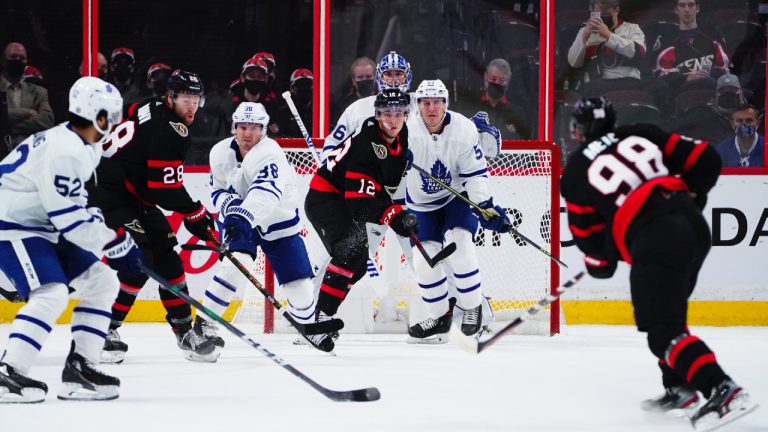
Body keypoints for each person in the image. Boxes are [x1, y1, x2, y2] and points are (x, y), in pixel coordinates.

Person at [561, 96, 758, 430]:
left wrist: (599, 261)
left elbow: (594, 247)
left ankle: (721, 388)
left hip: (655, 239)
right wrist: (691, 199)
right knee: (670, 317)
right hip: (693, 227)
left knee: (662, 331)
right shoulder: (640, 132)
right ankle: (680, 387)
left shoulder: (576, 171)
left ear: (579, 131)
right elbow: (706, 159)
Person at [0, 77, 143, 402]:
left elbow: (74, 207)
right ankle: (9, 372)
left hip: (39, 222)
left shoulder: (79, 144)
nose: (115, 125)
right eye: (113, 117)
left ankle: (80, 369)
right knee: (50, 292)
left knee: (103, 281)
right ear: (101, 117)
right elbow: (70, 218)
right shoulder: (67, 151)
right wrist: (116, 242)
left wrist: (113, 238)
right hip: (12, 222)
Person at [88, 69, 218, 364]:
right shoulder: (171, 130)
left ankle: (185, 330)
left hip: (134, 194)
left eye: (196, 99)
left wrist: (191, 212)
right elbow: (164, 190)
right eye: (185, 99)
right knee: (139, 259)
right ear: (170, 97)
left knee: (167, 257)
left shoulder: (150, 104)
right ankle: (102, 330)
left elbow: (156, 182)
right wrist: (195, 212)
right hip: (109, 193)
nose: (191, 106)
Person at [199, 102, 337, 353]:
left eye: (254, 127)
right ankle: (205, 323)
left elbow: (265, 194)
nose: (247, 133)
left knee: (299, 283)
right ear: (234, 128)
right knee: (235, 263)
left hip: (276, 217)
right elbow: (216, 190)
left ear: (263, 129)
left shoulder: (270, 153)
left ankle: (307, 325)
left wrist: (242, 214)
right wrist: (229, 205)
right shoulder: (219, 153)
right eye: (242, 126)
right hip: (241, 219)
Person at [304, 89, 415, 342]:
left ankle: (325, 314)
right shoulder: (366, 147)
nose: (393, 119)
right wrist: (393, 215)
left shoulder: (401, 134)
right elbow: (360, 206)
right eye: (387, 113)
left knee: (359, 261)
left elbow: (385, 180)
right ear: (377, 115)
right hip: (326, 198)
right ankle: (320, 317)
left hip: (347, 195)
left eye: (398, 113)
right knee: (349, 249)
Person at [404, 80, 511, 341]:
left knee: (460, 244)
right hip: (421, 205)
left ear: (445, 104)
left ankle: (472, 306)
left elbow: (475, 173)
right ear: (418, 106)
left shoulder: (463, 129)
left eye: (437, 102)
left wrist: (484, 206)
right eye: (426, 102)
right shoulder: (406, 130)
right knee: (423, 261)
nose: (432, 108)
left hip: (457, 198)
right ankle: (440, 317)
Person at [567, 0, 668, 108]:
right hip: (601, 81)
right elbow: (574, 63)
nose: (604, 13)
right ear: (592, 9)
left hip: (630, 80)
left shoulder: (632, 28)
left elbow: (639, 51)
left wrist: (608, 35)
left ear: (616, 10)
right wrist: (584, 37)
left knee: (659, 86)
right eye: (600, 9)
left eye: (607, 9)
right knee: (591, 88)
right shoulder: (584, 31)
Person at [653, 0, 730, 94]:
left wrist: (707, 74)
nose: (686, 10)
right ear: (676, 10)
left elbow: (725, 68)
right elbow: (661, 75)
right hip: (682, 92)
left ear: (697, 8)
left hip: (714, 88)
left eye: (690, 5)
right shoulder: (666, 41)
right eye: (682, 5)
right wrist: (686, 78)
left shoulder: (713, 35)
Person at [454, 58, 531, 140]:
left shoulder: (518, 114)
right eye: (493, 78)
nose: (497, 83)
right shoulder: (468, 108)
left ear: (508, 82)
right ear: (486, 77)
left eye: (502, 81)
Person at [0, 42, 54, 150]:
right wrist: (28, 112)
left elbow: (47, 121)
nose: (18, 60)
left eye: (22, 58)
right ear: (3, 60)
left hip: (28, 156)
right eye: (13, 57)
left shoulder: (39, 92)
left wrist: (8, 127)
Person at [673, 74, 747, 145]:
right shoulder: (702, 113)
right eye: (723, 91)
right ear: (717, 93)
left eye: (732, 90)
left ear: (740, 92)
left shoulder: (749, 115)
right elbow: (677, 127)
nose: (728, 94)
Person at [330, 56, 377, 126]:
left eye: (368, 76)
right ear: (353, 80)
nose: (365, 80)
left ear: (376, 77)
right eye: (360, 77)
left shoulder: (383, 102)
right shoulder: (343, 107)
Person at [715, 104, 764, 168]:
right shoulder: (721, 150)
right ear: (732, 124)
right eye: (739, 121)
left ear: (758, 124)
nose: (744, 124)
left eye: (749, 120)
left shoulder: (765, 147)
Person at [273, 68, 314, 138]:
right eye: (301, 85)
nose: (305, 88)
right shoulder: (283, 113)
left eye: (308, 84)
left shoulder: (319, 113)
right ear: (292, 88)